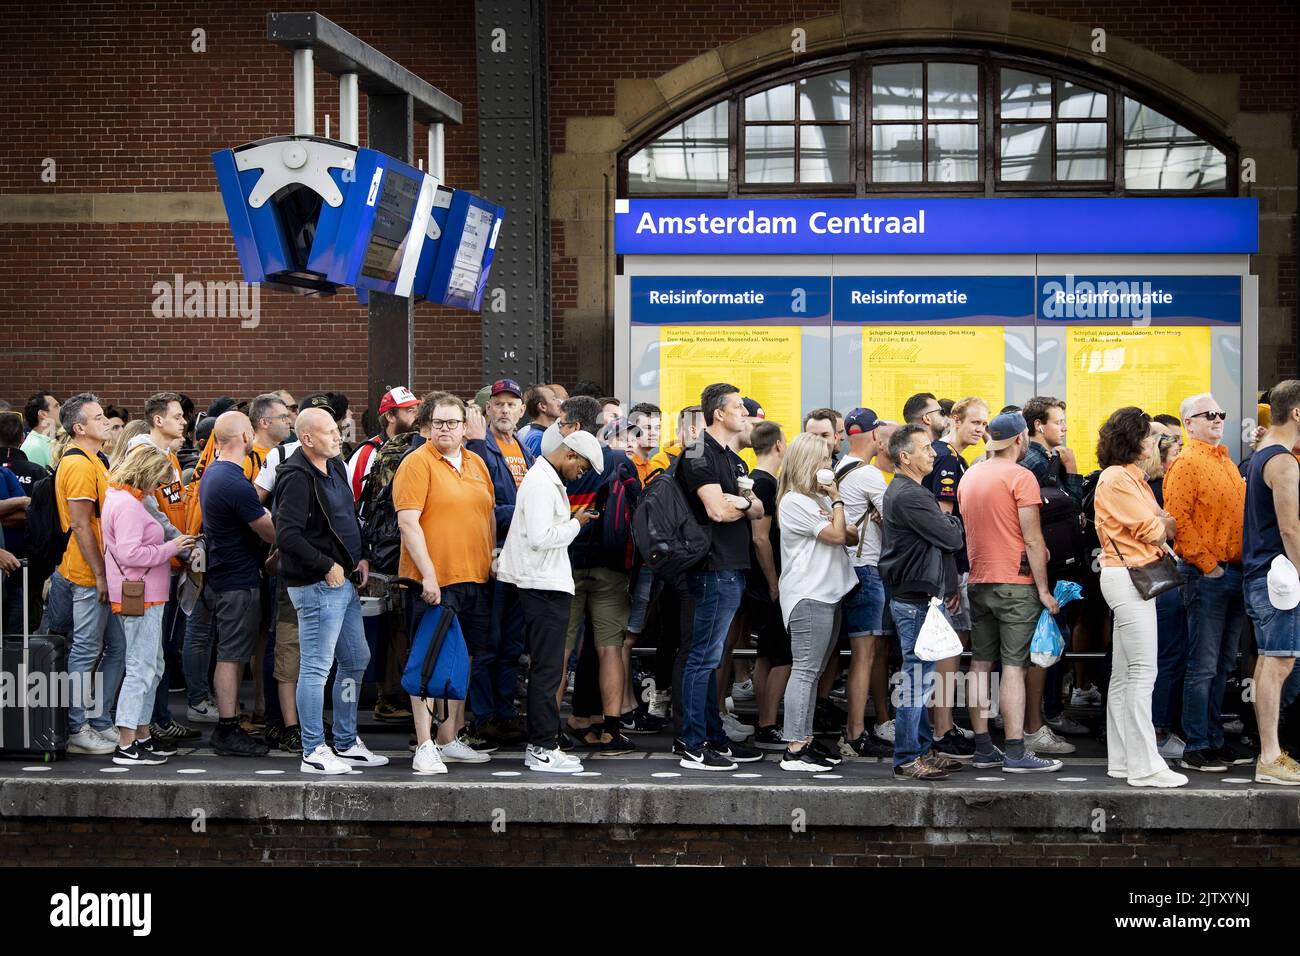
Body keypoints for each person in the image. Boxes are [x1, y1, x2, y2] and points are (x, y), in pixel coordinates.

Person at [272, 407, 385, 774]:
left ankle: (346, 740)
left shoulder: (335, 464)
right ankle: (312, 750)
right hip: (317, 585)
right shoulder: (295, 477)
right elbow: (287, 536)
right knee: (316, 668)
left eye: (337, 430)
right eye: (329, 432)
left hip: (345, 581)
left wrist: (361, 557)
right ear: (306, 439)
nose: (339, 436)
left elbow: (347, 518)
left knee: (355, 659)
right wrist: (327, 566)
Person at [393, 391, 496, 773]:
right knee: (428, 662)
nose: (446, 429)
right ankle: (423, 744)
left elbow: (486, 514)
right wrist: (429, 575)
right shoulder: (417, 463)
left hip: (476, 576)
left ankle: (449, 737)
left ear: (466, 426)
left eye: (453, 422)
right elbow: (408, 522)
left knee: (461, 661)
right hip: (434, 581)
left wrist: (492, 556)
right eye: (439, 423)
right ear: (426, 426)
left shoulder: (476, 463)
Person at [957, 411, 1064, 774]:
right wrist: (1045, 590)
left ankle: (984, 747)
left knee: (980, 664)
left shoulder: (970, 475)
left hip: (978, 580)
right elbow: (1032, 538)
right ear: (1020, 440)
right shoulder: (1021, 477)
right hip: (1016, 585)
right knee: (1015, 668)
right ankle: (1016, 751)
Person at [498, 429, 604, 772]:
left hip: (542, 583)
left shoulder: (543, 478)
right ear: (570, 455)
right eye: (583, 467)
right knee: (547, 669)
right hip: (543, 585)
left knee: (547, 668)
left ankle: (544, 743)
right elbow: (543, 538)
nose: (580, 474)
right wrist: (576, 523)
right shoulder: (544, 484)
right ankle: (541, 746)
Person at [1092, 408, 1189, 787]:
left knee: (1123, 676)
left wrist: (1163, 522)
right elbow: (1155, 528)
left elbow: (1159, 522)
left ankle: (1122, 760)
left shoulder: (1128, 477)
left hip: (1126, 577)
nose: (1155, 443)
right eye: (1149, 437)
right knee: (1142, 673)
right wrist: (1165, 524)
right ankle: (1146, 766)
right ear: (1134, 440)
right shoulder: (1119, 479)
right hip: (1130, 577)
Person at [673, 383, 766, 771]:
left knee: (710, 660)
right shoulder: (698, 453)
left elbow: (757, 508)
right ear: (718, 414)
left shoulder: (733, 458)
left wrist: (741, 502)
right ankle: (692, 743)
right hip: (711, 569)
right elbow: (716, 511)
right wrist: (743, 504)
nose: (744, 413)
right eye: (739, 407)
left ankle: (713, 737)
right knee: (702, 659)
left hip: (730, 568)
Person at [1162, 392, 1254, 772]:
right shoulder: (1186, 462)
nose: (1218, 419)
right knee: (1203, 664)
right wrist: (1208, 566)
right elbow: (1177, 522)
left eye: (1221, 413)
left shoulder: (1226, 461)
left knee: (1221, 664)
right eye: (1209, 414)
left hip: (1233, 571)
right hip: (1207, 574)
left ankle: (1214, 738)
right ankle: (1197, 743)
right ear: (1190, 423)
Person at [879, 424, 966, 780]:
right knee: (916, 680)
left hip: (921, 597)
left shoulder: (911, 491)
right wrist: (950, 524)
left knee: (923, 678)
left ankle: (923, 749)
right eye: (926, 448)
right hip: (915, 599)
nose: (933, 453)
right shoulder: (911, 495)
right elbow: (950, 536)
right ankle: (906, 758)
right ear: (905, 456)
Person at [102, 445, 195, 765]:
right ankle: (127, 741)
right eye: (157, 479)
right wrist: (171, 546)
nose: (158, 487)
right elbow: (131, 555)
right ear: (145, 473)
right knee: (142, 668)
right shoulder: (128, 504)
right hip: (143, 594)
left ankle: (139, 735)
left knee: (149, 666)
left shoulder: (121, 498)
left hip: (141, 593)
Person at [775, 433, 858, 772]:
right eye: (824, 460)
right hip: (810, 595)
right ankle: (794, 748)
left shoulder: (816, 500)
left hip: (826, 593)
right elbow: (839, 535)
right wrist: (837, 500)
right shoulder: (795, 501)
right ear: (809, 462)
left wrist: (833, 506)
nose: (829, 466)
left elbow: (851, 534)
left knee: (813, 671)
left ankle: (805, 741)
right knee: (806, 671)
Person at [195, 411, 275, 757]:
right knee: (231, 655)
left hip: (224, 576)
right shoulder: (233, 480)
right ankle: (227, 728)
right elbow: (268, 529)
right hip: (237, 581)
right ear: (245, 436)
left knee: (232, 652)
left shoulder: (213, 474)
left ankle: (229, 724)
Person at [1018, 395, 1089, 752]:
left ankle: (1047, 714)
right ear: (1037, 426)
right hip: (1039, 569)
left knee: (1052, 644)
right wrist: (1073, 470)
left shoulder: (1052, 458)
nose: (1064, 427)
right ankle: (1037, 722)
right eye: (1058, 421)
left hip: (1060, 566)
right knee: (1040, 647)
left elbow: (1069, 510)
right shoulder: (1030, 461)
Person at [465, 379, 534, 744]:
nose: (505, 410)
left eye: (512, 404)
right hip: (490, 558)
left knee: (511, 642)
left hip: (521, 558)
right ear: (487, 409)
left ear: (522, 410)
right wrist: (528, 512)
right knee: (487, 644)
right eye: (499, 403)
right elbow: (482, 507)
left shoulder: (524, 450)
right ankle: (484, 716)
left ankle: (505, 712)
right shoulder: (478, 450)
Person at [57, 394, 126, 756]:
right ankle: (77, 726)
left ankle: (98, 719)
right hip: (88, 573)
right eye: (98, 418)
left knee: (117, 646)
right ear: (79, 428)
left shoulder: (95, 460)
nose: (106, 422)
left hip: (102, 570)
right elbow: (81, 525)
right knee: (86, 649)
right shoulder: (81, 465)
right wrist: (100, 575)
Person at [1240, 381, 1300, 784]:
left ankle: (1270, 752)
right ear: (1297, 413)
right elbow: (1290, 528)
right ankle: (1270, 756)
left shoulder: (1261, 453)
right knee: (1279, 662)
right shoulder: (1283, 462)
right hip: (1278, 577)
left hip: (1261, 574)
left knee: (1269, 661)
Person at [834, 408, 894, 759]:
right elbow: (896, 522)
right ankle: (855, 732)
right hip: (866, 570)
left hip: (840, 570)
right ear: (874, 436)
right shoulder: (870, 475)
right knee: (864, 656)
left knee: (837, 656)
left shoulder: (838, 469)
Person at [745, 421, 789, 750]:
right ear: (777, 445)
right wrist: (774, 582)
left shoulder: (764, 482)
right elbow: (761, 538)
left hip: (765, 581)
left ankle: (765, 719)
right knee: (782, 657)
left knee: (765, 655)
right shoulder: (763, 484)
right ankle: (768, 724)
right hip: (767, 582)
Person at [347, 386, 419, 501]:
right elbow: (355, 501)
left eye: (417, 410)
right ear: (390, 416)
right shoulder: (368, 451)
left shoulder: (422, 446)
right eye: (410, 410)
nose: (417, 415)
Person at [518, 384, 563, 458]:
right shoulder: (538, 438)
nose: (559, 403)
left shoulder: (537, 434)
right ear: (542, 406)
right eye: (554, 399)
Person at [21, 390, 61, 469]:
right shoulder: (33, 447)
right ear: (43, 414)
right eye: (56, 406)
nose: (62, 409)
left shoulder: (49, 441)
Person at [625, 403, 661, 487]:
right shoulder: (626, 467)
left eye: (657, 428)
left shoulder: (654, 468)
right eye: (647, 427)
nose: (653, 433)